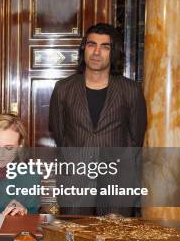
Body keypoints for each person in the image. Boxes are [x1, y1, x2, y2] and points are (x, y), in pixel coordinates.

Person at [48, 23, 147, 215]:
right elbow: (60, 134)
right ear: (84, 48)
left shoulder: (131, 90)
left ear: (113, 52)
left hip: (117, 184)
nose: (97, 52)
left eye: (105, 47)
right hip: (74, 184)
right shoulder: (63, 89)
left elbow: (136, 139)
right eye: (92, 44)